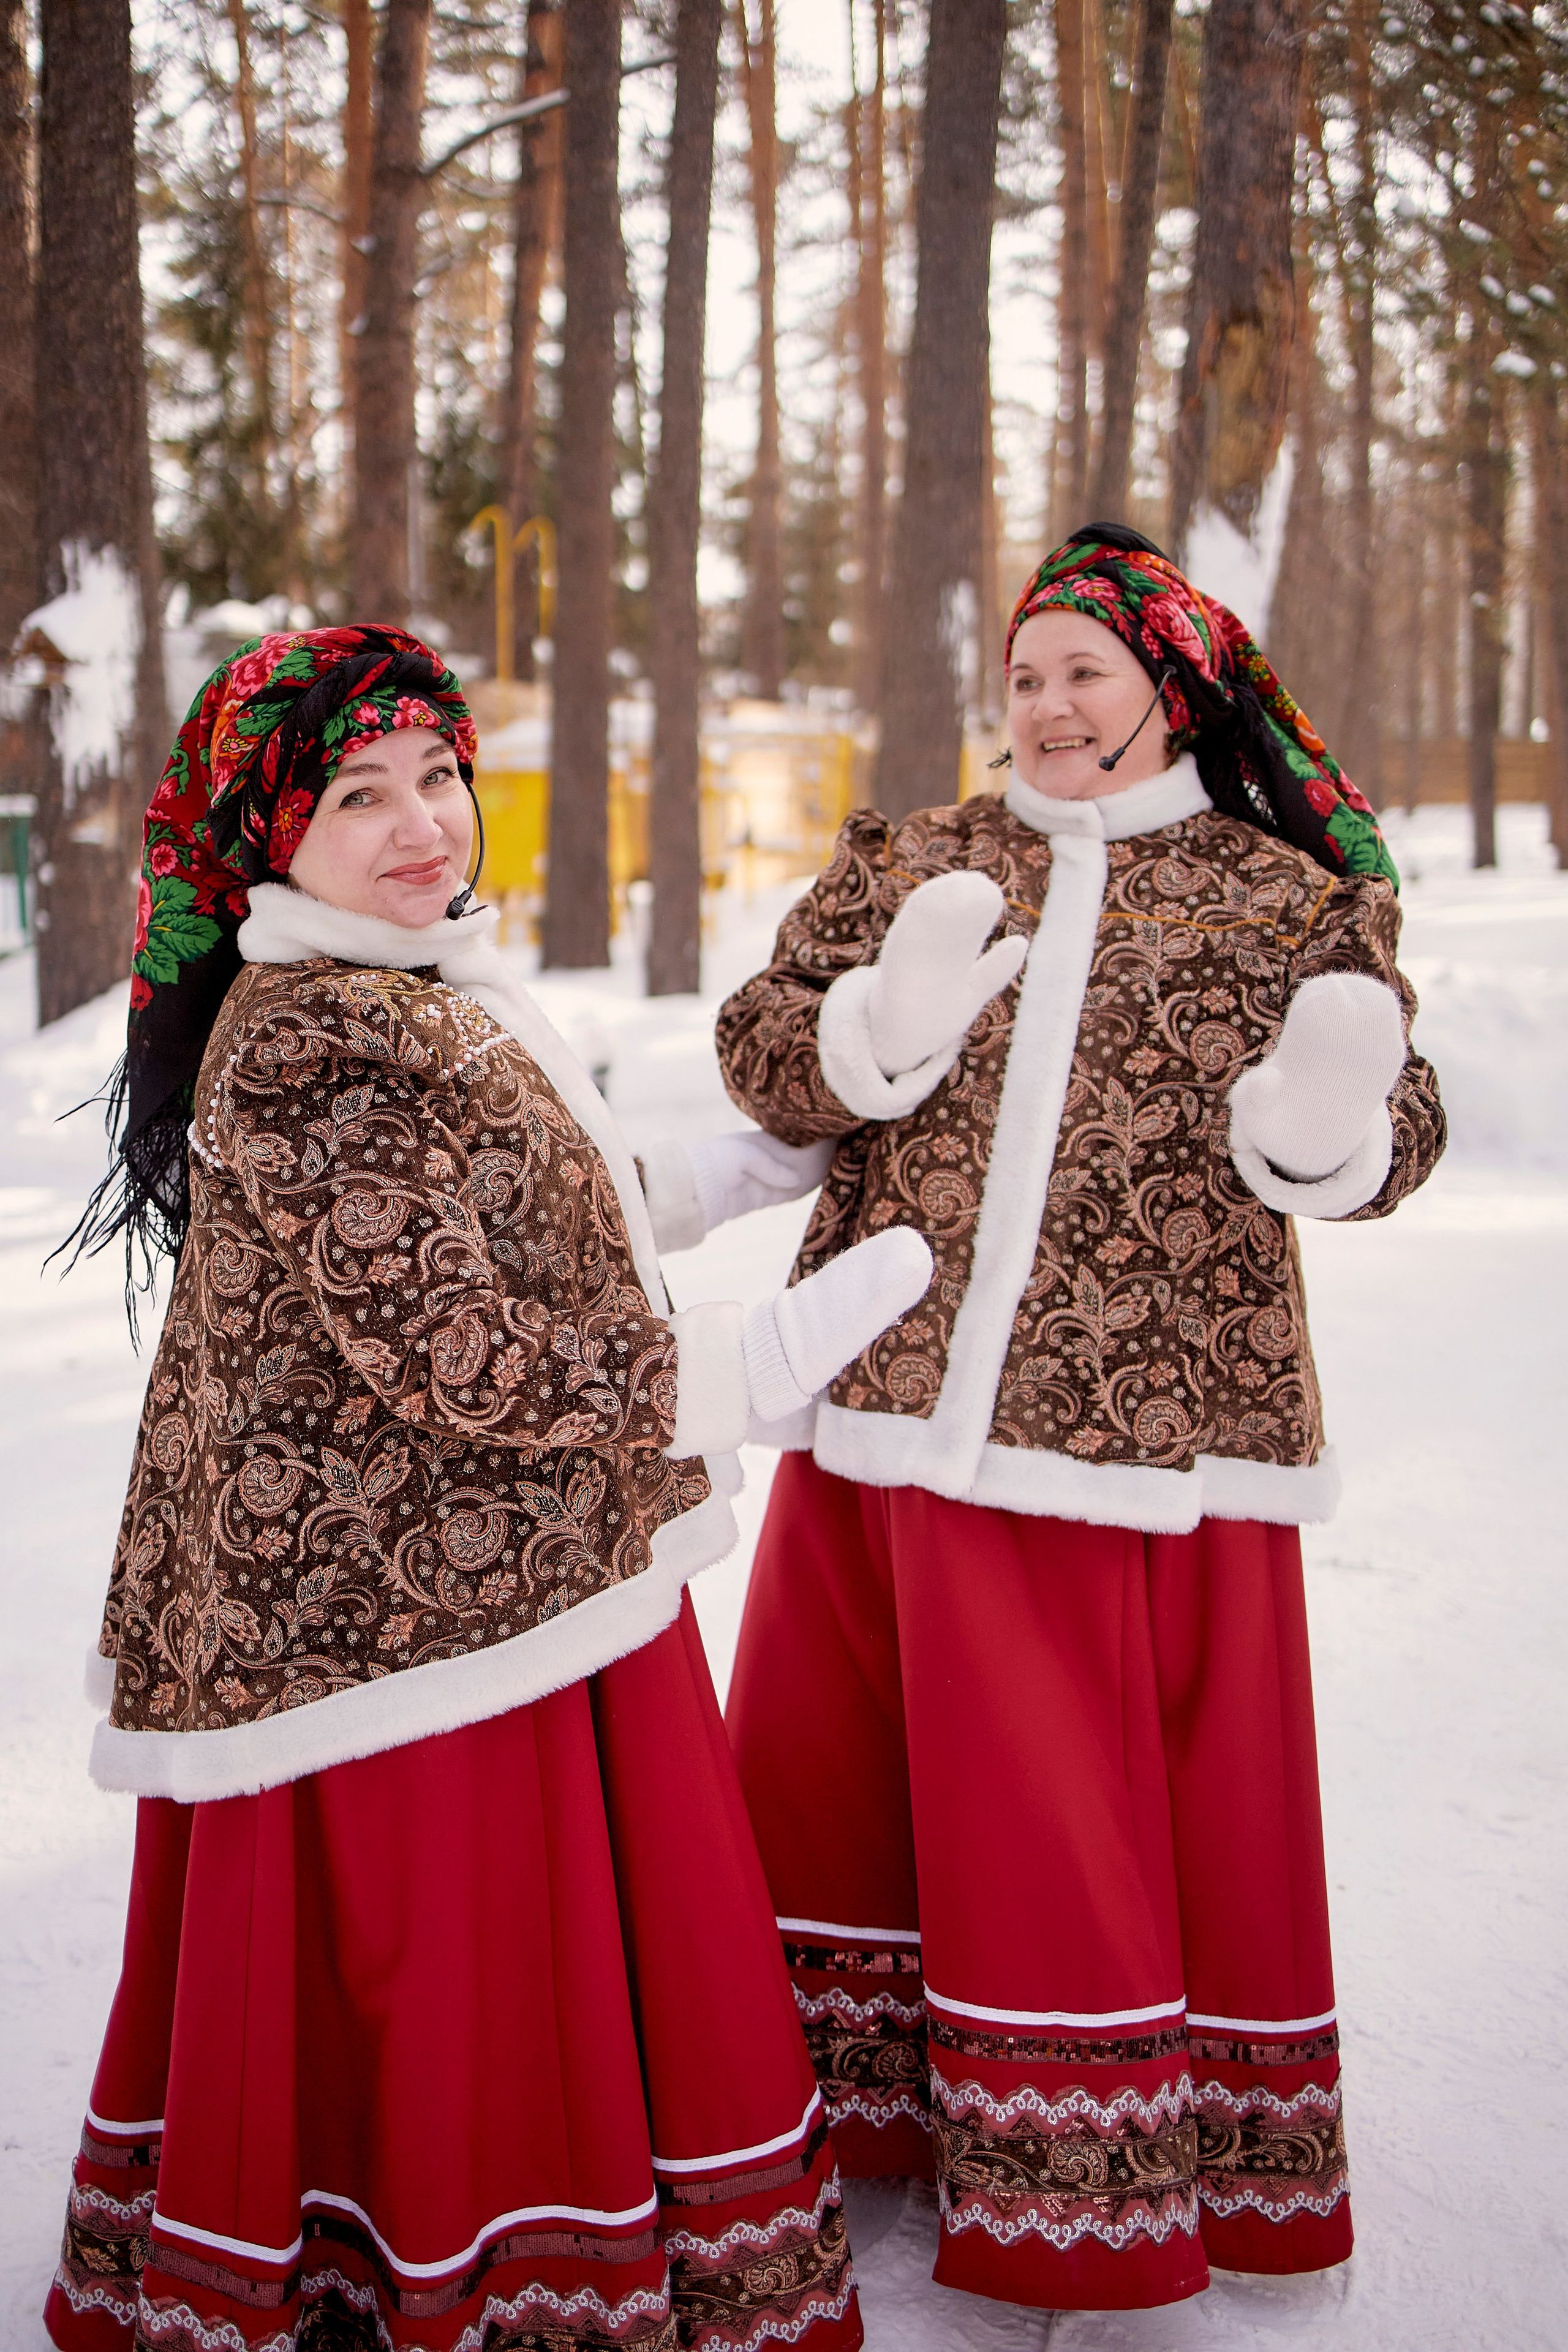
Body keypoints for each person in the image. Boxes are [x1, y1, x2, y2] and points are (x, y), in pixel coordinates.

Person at [45, 623, 935, 2352]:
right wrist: (736, 1372)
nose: (421, 825)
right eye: (358, 794)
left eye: (438, 775)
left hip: (493, 1572)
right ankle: (469, 2260)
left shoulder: (414, 989)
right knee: (462, 1968)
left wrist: (759, 1162)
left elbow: (532, 1219)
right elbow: (464, 1348)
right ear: (270, 839)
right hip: (392, 1632)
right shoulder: (309, 1041)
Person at [713, 524, 1447, 2315]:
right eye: (1026, 676)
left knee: (1067, 1801)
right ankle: (861, 2121)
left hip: (1142, 1433)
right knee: (844, 1785)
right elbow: (761, 1038)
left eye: (1083, 676)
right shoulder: (929, 857)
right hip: (891, 1406)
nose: (1044, 706)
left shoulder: (1281, 898)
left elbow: (1398, 1131)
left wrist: (1326, 1118)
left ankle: (1082, 2186)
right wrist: (868, 1028)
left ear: (1169, 693)